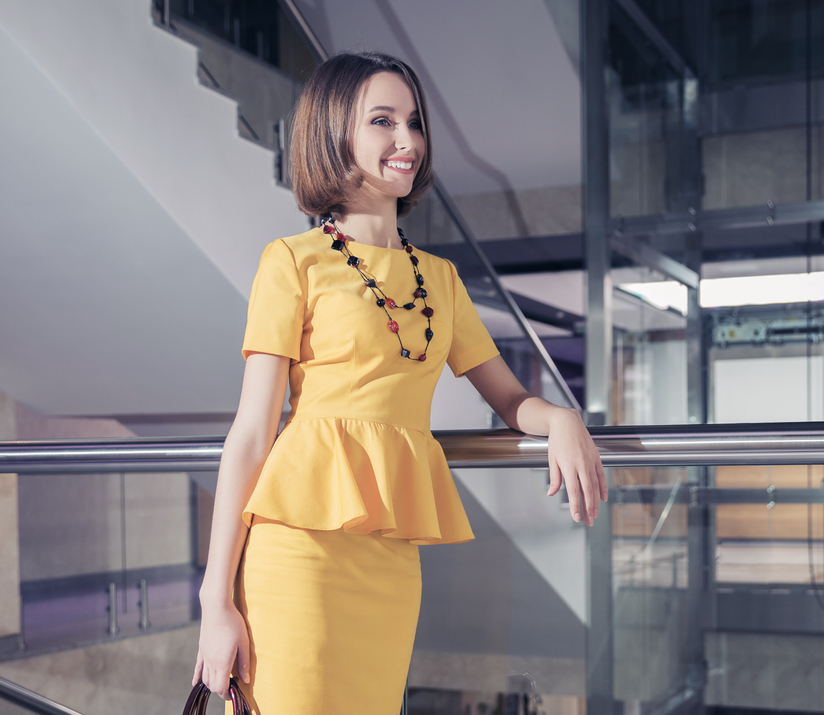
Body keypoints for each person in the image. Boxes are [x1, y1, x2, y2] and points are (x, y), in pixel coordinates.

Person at [192, 51, 606, 715]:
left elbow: (507, 397)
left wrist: (561, 418)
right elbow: (249, 436)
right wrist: (216, 601)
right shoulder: (291, 262)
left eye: (413, 121)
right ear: (335, 133)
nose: (407, 140)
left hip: (388, 563)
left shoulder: (439, 279)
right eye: (382, 121)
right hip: (298, 555)